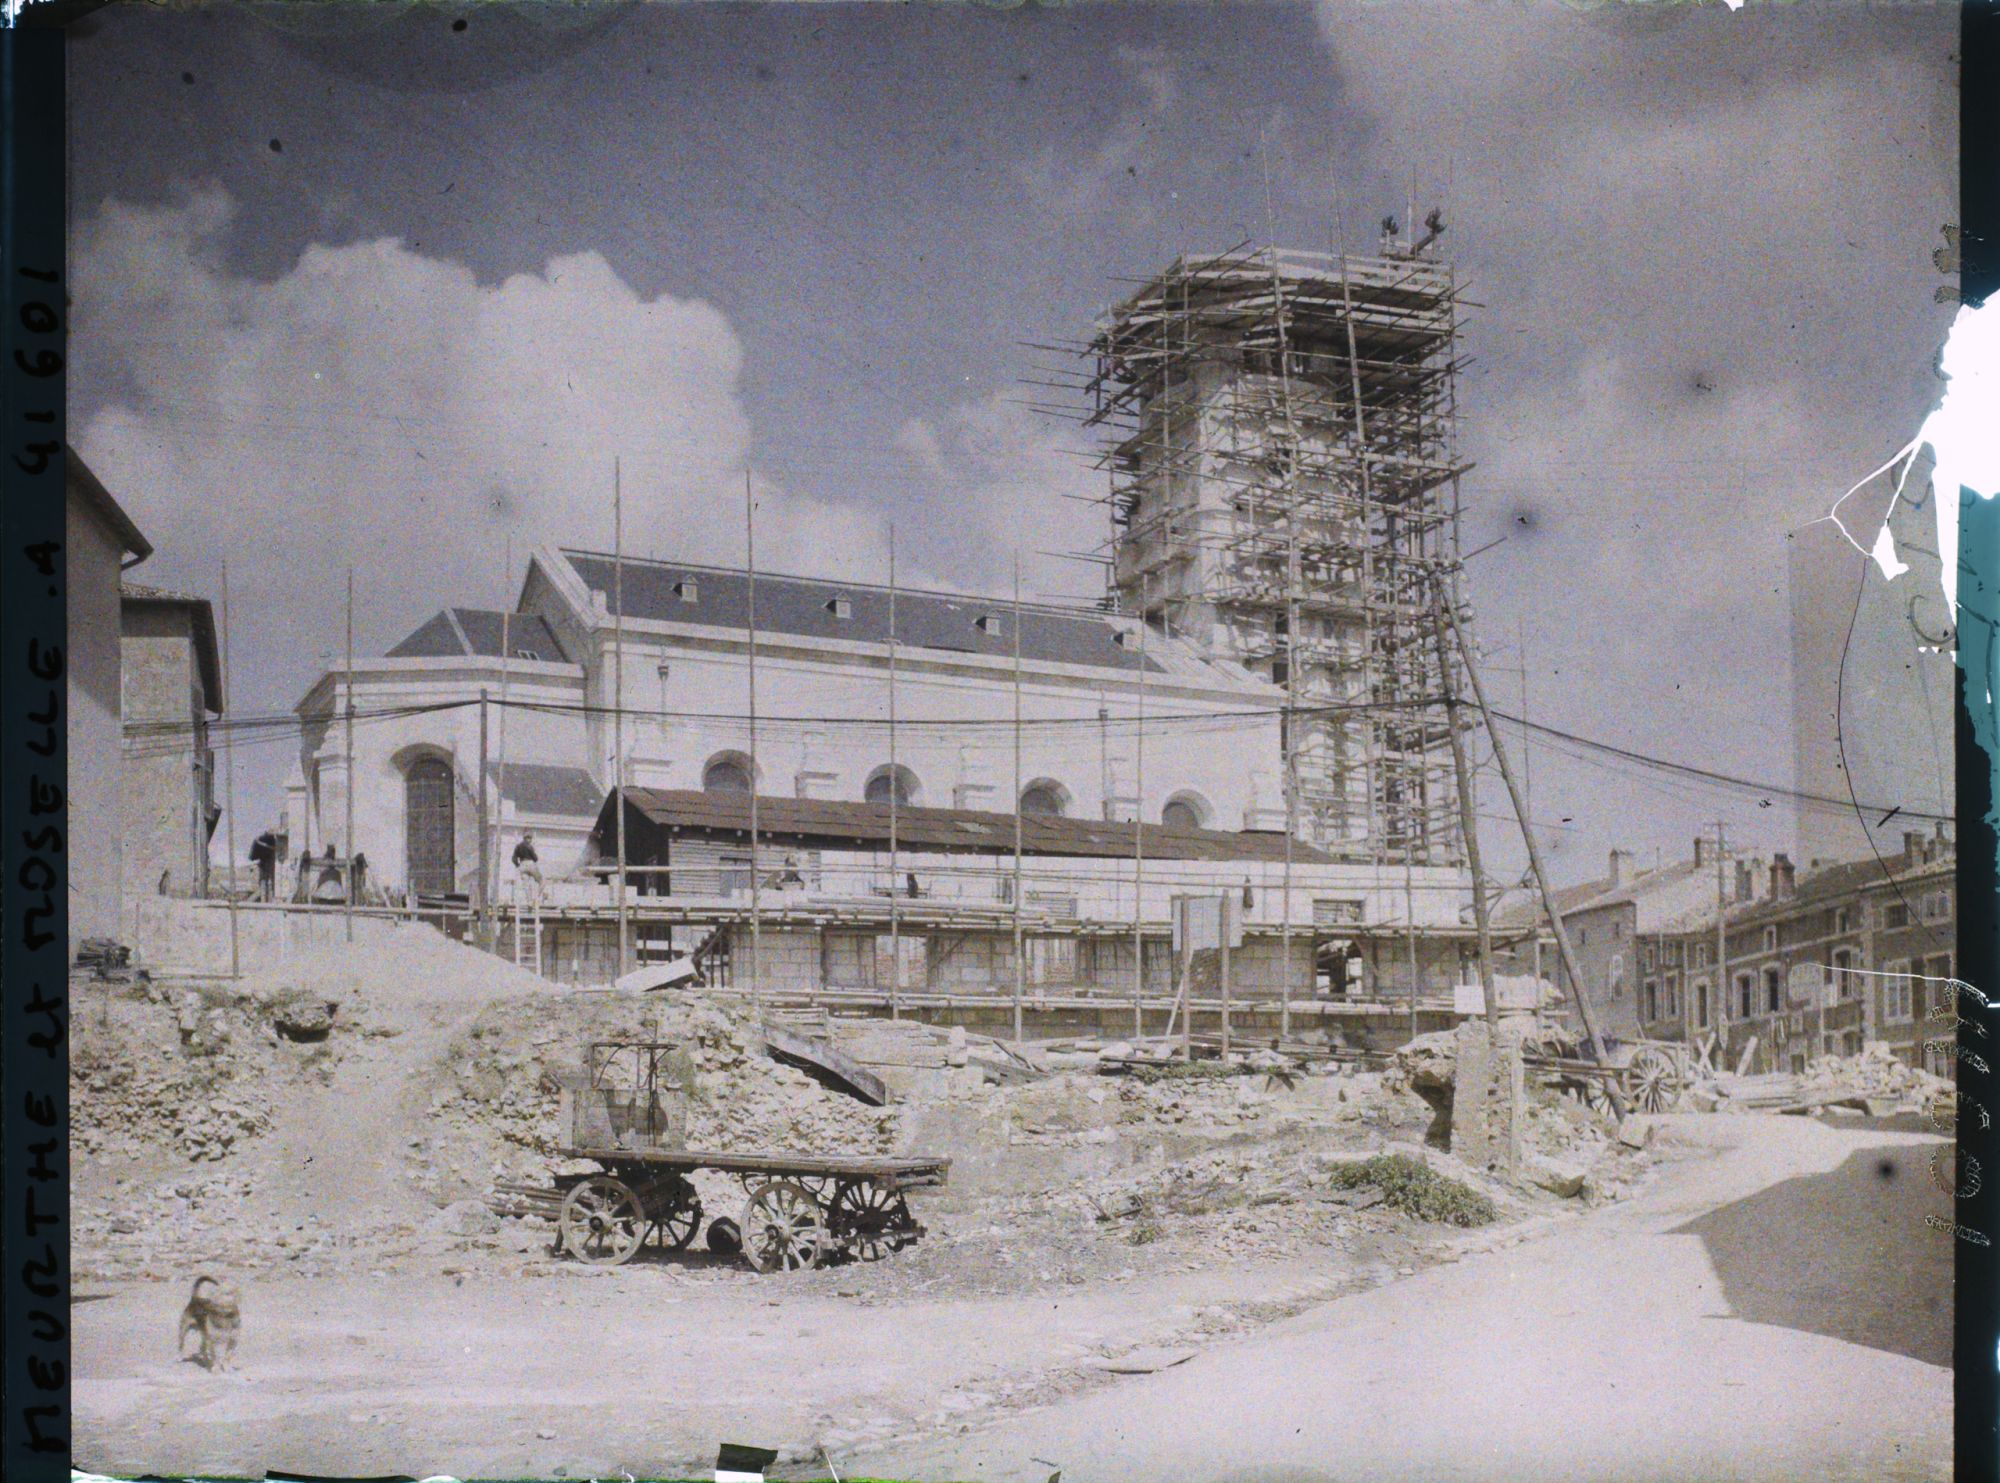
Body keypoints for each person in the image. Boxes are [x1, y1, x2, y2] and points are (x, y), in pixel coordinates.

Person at [511, 829, 544, 903]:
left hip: (522, 865)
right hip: (530, 864)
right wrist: (534, 854)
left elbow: (513, 858)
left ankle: (529, 901)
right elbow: (535, 858)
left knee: (526, 884)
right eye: (530, 838)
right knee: (542, 881)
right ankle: (536, 897)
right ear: (528, 839)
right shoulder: (529, 846)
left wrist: (518, 865)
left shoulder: (518, 846)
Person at [249, 830, 278, 902]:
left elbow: (252, 857)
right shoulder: (270, 841)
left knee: (265, 884)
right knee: (266, 884)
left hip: (266, 865)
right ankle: (267, 901)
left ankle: (266, 900)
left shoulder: (259, 840)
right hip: (267, 865)